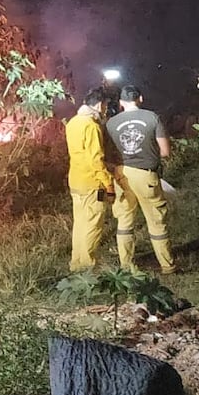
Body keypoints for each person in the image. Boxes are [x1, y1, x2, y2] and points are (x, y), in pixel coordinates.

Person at [106, 85, 175, 276]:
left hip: (121, 175)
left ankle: (126, 266)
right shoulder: (152, 117)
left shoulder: (111, 123)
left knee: (125, 220)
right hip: (146, 175)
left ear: (121, 103)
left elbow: (108, 152)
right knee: (156, 221)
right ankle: (167, 265)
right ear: (140, 99)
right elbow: (165, 152)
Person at [65, 89, 115, 271]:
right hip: (92, 183)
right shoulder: (91, 126)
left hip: (75, 181)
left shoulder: (73, 123)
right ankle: (87, 266)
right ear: (99, 104)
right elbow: (96, 159)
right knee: (93, 223)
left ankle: (76, 263)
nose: (105, 109)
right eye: (105, 105)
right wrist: (108, 183)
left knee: (80, 223)